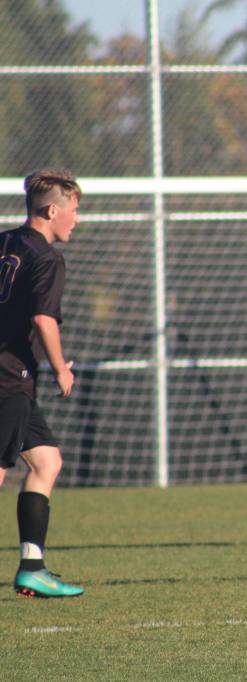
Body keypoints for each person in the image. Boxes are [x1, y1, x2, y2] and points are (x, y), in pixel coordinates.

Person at [0, 169, 84, 597]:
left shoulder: (4, 241)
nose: (76, 220)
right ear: (52, 210)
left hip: (17, 378)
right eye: (73, 210)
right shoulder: (47, 259)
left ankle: (32, 567)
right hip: (8, 377)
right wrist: (61, 367)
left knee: (47, 462)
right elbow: (43, 319)